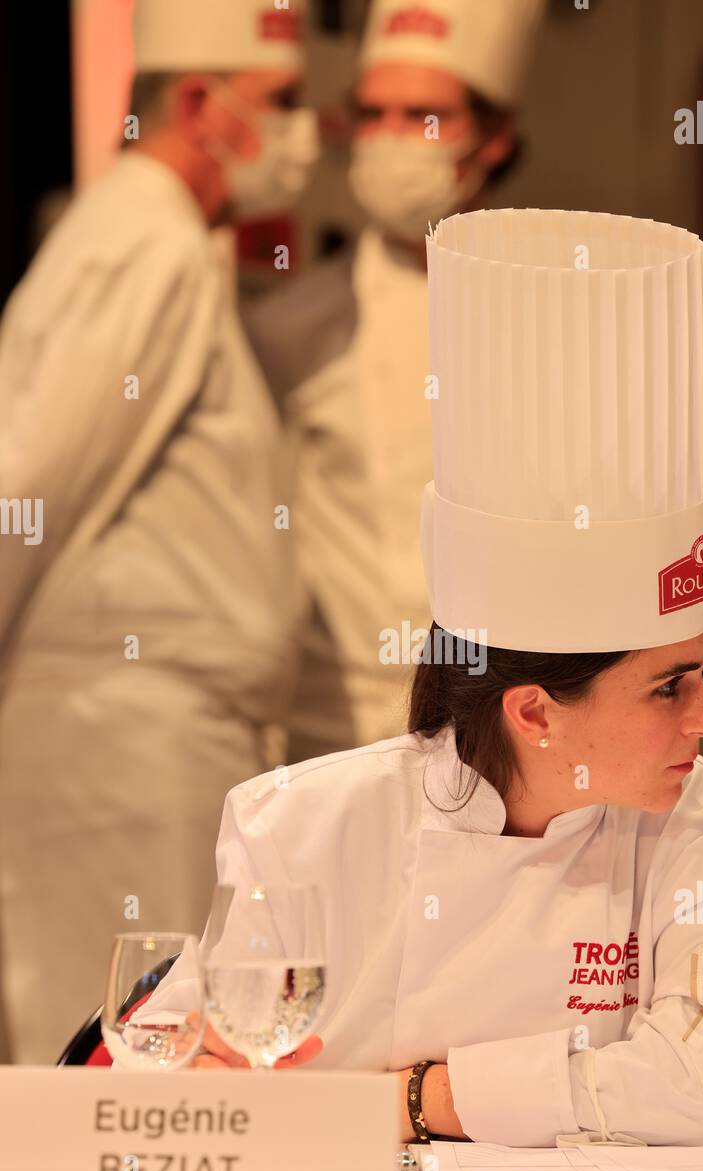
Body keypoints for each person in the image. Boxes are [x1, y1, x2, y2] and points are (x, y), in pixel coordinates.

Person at [139, 208, 703, 1149]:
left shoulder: (702, 830)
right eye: (668, 685)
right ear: (534, 712)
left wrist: (411, 1101)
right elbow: (211, 1077)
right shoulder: (299, 828)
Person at [0, 0, 317, 1064]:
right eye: (279, 103)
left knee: (159, 1074)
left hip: (149, 731)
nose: (300, 131)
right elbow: (25, 480)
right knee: (116, 1077)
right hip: (115, 733)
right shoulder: (145, 241)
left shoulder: (159, 240)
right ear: (197, 103)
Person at [242, 0, 545, 763]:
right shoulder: (289, 328)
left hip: (510, 733)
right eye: (372, 114)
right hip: (332, 735)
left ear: (495, 135)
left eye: (422, 116)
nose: (388, 140)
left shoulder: (553, 310)